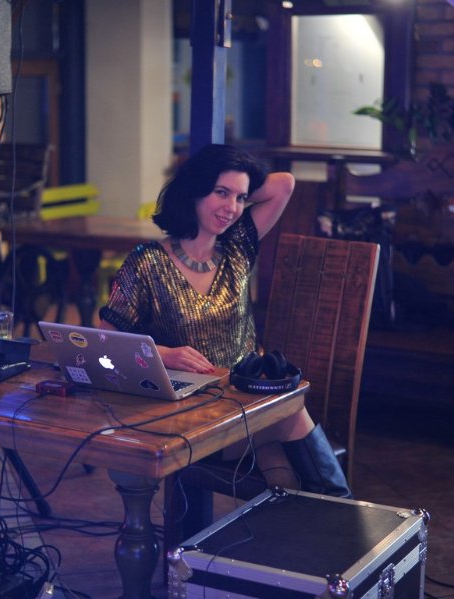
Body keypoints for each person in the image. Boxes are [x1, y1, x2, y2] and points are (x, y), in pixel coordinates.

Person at [99, 143, 351, 498]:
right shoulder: (147, 263)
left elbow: (284, 184)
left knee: (285, 481)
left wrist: (231, 191)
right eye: (221, 192)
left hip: (245, 398)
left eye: (241, 197)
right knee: (290, 418)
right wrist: (166, 355)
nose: (232, 208)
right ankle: (345, 513)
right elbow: (106, 344)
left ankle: (332, 520)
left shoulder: (237, 247)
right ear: (195, 190)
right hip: (190, 413)